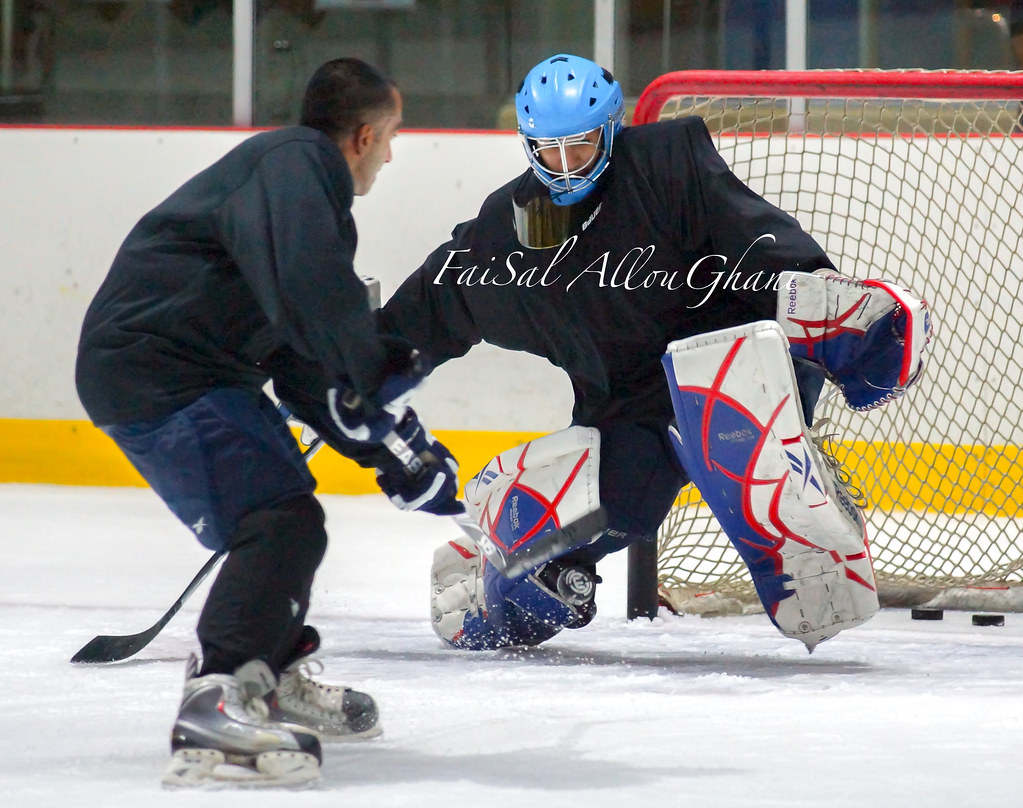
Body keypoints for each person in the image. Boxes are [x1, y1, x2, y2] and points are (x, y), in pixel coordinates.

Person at [377, 54, 930, 655]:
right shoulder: (510, 228)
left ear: (611, 130)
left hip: (730, 354)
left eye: (580, 148)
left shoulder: (666, 165)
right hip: (630, 408)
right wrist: (354, 371)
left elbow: (761, 242)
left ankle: (797, 511)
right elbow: (435, 302)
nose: (564, 168)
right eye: (549, 151)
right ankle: (489, 569)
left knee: (760, 368)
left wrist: (829, 317)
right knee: (541, 563)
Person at [75, 57, 460, 787]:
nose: (390, 152)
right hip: (162, 371)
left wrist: (389, 454)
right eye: (392, 136)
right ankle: (217, 695)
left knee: (286, 517)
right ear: (365, 133)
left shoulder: (289, 189)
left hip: (188, 371)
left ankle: (270, 675)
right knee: (277, 522)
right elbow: (317, 295)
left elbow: (302, 360)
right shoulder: (297, 164)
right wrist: (373, 372)